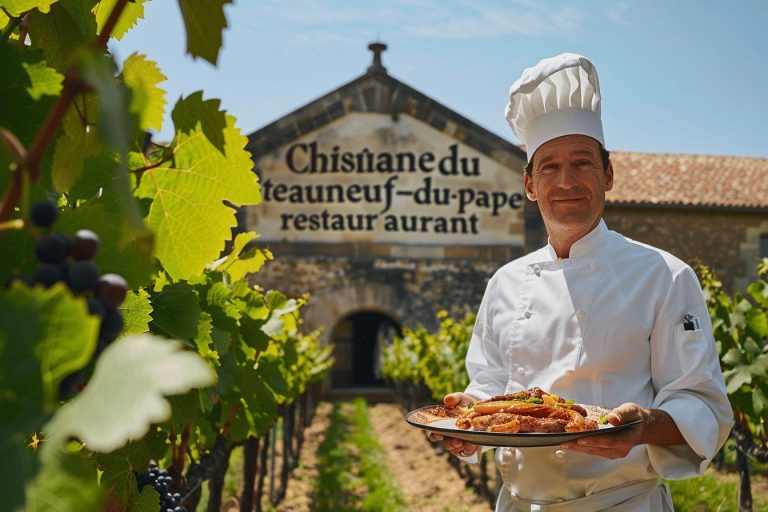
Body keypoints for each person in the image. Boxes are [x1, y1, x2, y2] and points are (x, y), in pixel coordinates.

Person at [429, 53, 733, 511]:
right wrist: (466, 422)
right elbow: (490, 384)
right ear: (530, 185)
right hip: (517, 503)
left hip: (622, 503)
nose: (566, 180)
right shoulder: (506, 282)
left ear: (608, 175)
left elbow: (704, 406)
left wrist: (644, 426)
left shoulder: (664, 276)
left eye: (583, 163)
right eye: (549, 166)